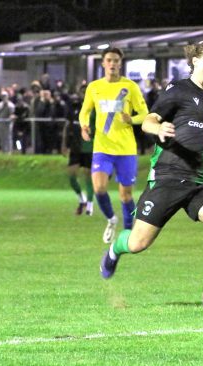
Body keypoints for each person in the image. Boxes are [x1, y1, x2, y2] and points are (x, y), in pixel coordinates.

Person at [99, 40, 203, 304]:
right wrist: (158, 130)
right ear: (195, 61)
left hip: (200, 183)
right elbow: (150, 119)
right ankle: (115, 249)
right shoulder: (179, 89)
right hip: (168, 179)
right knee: (138, 243)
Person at [79, 47, 149, 243]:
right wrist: (84, 126)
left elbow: (145, 114)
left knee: (126, 196)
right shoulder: (94, 87)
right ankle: (111, 219)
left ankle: (128, 233)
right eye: (109, 60)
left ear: (120, 63)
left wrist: (132, 120)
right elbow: (84, 111)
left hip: (126, 149)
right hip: (102, 147)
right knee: (99, 188)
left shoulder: (131, 87)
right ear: (103, 63)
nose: (112, 64)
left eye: (116, 60)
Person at [66, 88, 95, 215]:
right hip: (75, 146)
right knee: (71, 175)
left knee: (88, 176)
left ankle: (89, 205)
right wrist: (64, 144)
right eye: (82, 93)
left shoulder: (95, 109)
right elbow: (68, 125)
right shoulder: (74, 108)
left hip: (89, 146)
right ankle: (81, 198)